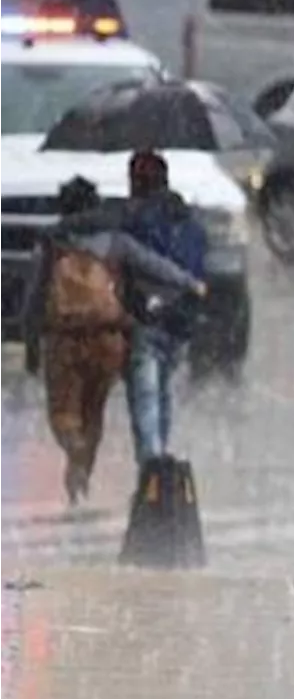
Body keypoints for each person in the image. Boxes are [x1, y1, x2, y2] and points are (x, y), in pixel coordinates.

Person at [40, 177, 207, 503]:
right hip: (109, 339)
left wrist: (29, 336)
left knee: (64, 409)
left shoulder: (53, 241)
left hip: (64, 340)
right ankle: (93, 470)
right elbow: (153, 265)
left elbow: (36, 294)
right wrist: (190, 283)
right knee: (94, 409)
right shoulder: (117, 240)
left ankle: (74, 451)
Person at [120, 150, 208, 465]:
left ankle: (151, 468)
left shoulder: (133, 223)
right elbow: (199, 269)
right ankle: (161, 462)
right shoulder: (191, 223)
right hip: (181, 321)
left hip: (147, 318)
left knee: (145, 398)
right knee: (163, 392)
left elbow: (132, 264)